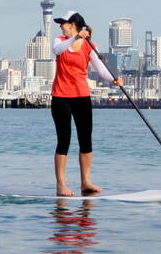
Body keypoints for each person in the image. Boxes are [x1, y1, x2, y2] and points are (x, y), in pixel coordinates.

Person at [50, 11, 123, 197]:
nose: (60, 26)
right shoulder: (59, 41)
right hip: (61, 97)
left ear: (73, 23)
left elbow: (101, 69)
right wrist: (75, 36)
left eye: (63, 23)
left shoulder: (89, 45)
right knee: (64, 140)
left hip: (82, 96)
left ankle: (85, 182)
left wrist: (114, 79)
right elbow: (58, 51)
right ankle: (61, 185)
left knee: (86, 140)